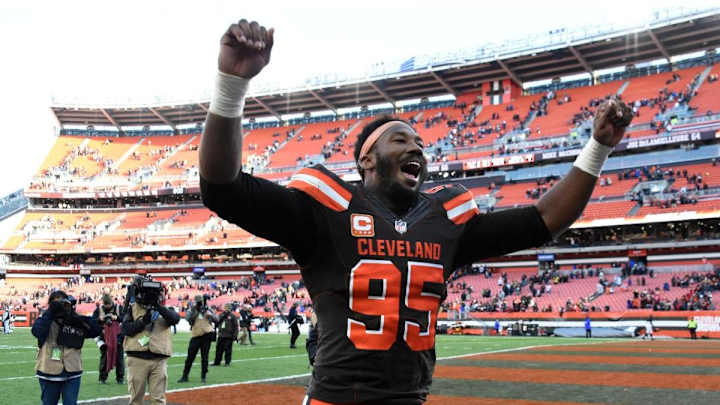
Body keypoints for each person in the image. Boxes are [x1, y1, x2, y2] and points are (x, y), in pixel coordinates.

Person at [198, 18, 633, 404]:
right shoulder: (328, 208)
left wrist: (598, 148)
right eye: (400, 140)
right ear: (367, 160)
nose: (417, 149)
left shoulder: (445, 220)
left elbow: (544, 221)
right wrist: (232, 84)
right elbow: (223, 189)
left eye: (420, 144)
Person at [32, 291, 101, 405]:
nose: (60, 306)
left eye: (62, 302)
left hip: (72, 369)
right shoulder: (46, 319)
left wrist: (72, 315)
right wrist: (50, 312)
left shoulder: (74, 319)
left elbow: (95, 330)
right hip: (49, 370)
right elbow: (37, 331)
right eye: (56, 303)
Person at [122, 276, 180, 405]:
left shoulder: (165, 309)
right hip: (137, 357)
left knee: (158, 400)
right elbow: (126, 329)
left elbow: (175, 319)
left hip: (159, 359)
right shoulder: (132, 308)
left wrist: (157, 306)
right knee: (136, 400)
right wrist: (143, 321)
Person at [178, 295, 217, 383]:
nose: (200, 303)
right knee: (190, 357)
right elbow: (187, 318)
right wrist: (196, 311)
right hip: (196, 335)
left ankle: (203, 376)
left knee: (205, 357)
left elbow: (216, 319)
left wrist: (210, 315)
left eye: (200, 301)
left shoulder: (208, 309)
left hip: (207, 335)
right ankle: (185, 376)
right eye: (198, 302)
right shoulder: (192, 309)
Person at [92, 294, 124, 384]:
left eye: (109, 305)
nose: (107, 307)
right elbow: (92, 322)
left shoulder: (119, 308)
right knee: (105, 358)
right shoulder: (99, 310)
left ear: (112, 302)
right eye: (105, 305)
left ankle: (120, 378)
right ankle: (102, 378)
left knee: (119, 358)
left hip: (118, 336)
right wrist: (100, 319)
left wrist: (116, 318)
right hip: (104, 337)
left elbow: (125, 319)